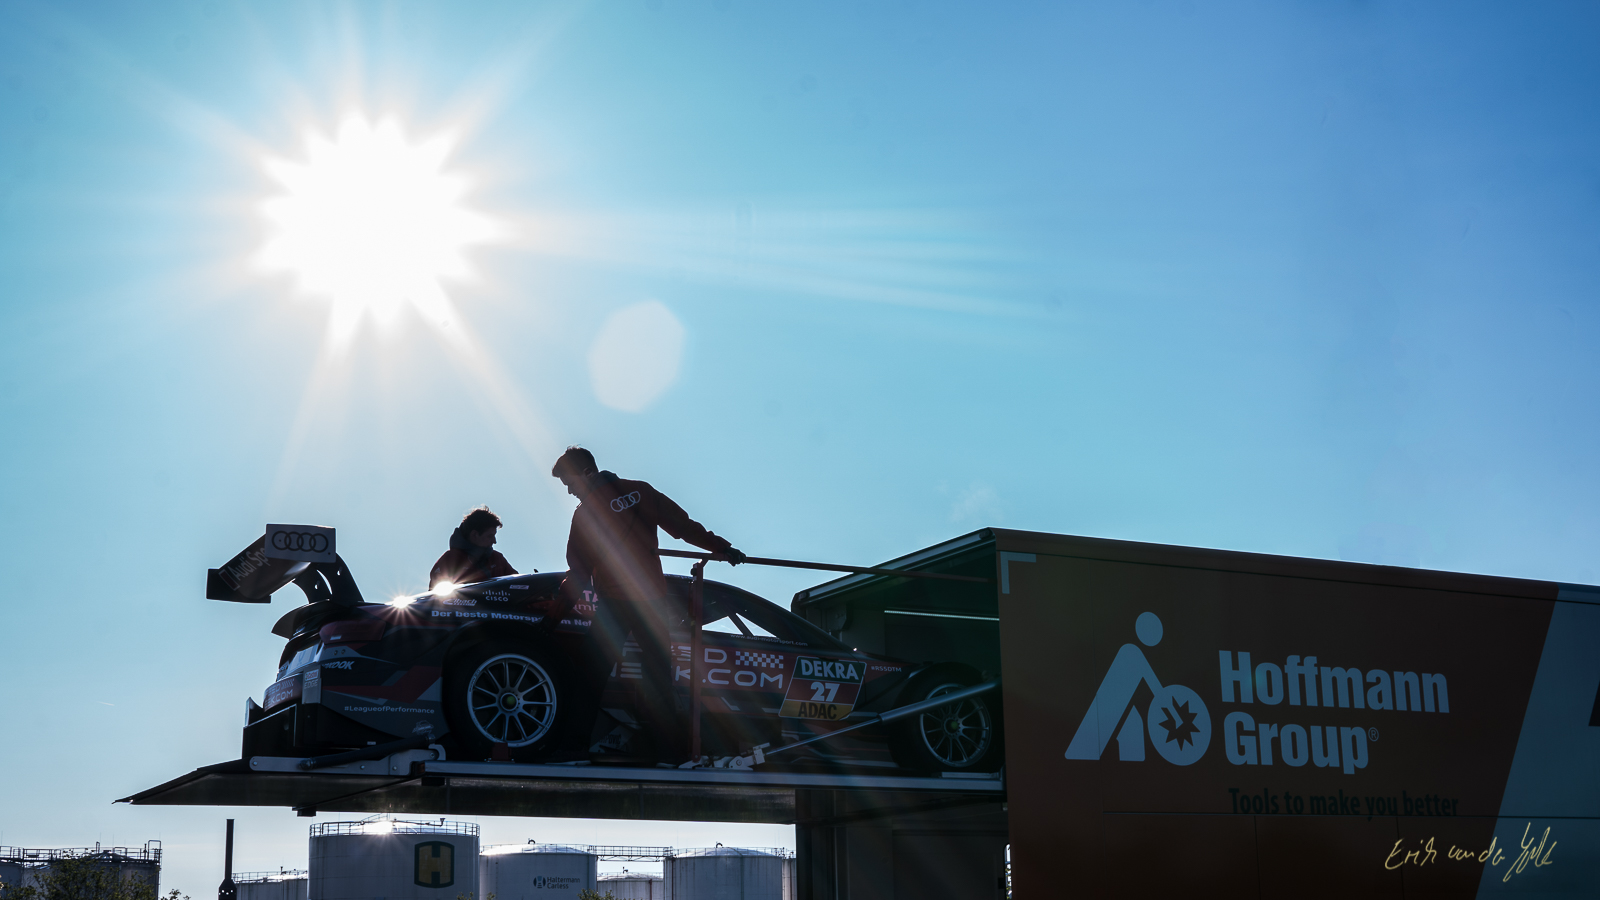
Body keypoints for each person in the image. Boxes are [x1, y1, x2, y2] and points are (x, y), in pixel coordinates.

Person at [551, 446, 745, 762]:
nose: (571, 491)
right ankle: (669, 754)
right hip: (652, 601)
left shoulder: (585, 514)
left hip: (615, 604)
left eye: (570, 483)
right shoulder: (639, 491)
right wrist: (722, 548)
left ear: (586, 473)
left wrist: (553, 615)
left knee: (590, 675)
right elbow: (682, 526)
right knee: (657, 679)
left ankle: (573, 746)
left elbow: (579, 572)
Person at [429, 506, 518, 590]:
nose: (494, 541)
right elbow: (435, 597)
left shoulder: (497, 559)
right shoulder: (450, 560)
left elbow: (519, 586)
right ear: (475, 535)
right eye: (490, 536)